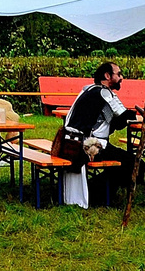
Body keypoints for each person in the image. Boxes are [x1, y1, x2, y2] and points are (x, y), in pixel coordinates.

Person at [57, 61, 137, 208]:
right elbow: (124, 116)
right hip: (88, 146)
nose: (121, 78)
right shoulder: (103, 92)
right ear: (107, 76)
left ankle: (100, 191)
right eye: (118, 74)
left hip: (70, 141)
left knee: (125, 160)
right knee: (134, 163)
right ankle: (98, 194)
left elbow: (114, 121)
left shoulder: (88, 89)